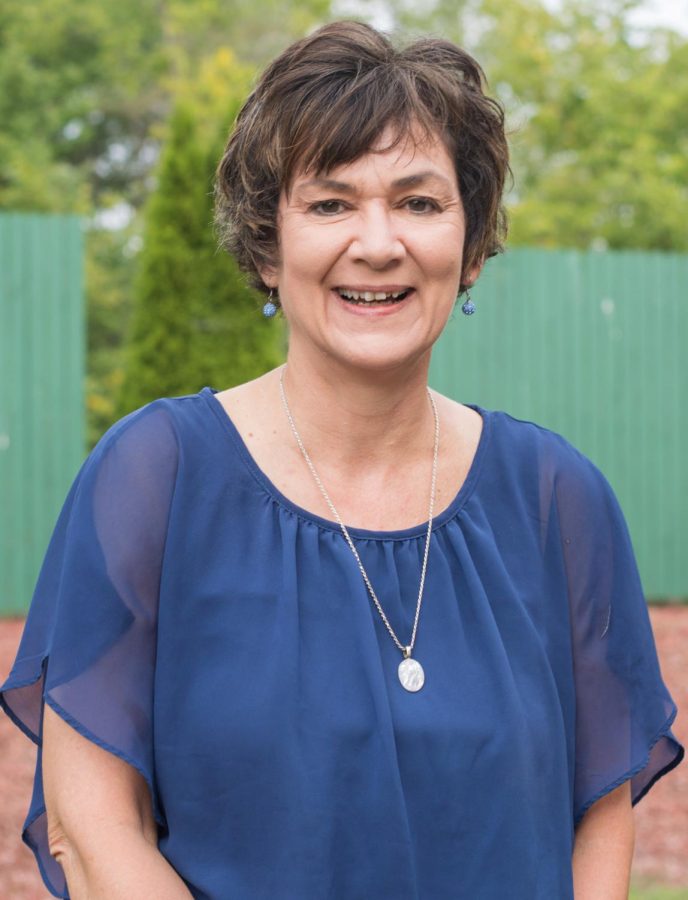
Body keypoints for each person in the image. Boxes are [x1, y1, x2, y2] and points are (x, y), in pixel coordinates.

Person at [0, 19, 684, 900]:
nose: (377, 241)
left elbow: (599, 816)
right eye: (330, 203)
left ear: (470, 247)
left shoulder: (559, 499)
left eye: (419, 202)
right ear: (266, 243)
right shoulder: (156, 478)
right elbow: (92, 826)